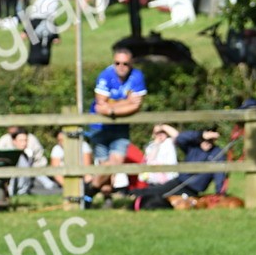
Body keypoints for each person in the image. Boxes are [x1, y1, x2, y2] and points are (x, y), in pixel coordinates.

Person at [88, 46, 146, 206]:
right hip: (99, 126)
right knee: (104, 166)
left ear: (131, 63)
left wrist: (112, 107)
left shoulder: (137, 76)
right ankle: (107, 199)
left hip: (120, 127)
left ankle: (89, 191)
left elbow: (136, 106)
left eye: (125, 64)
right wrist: (126, 102)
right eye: (117, 63)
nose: (121, 67)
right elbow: (100, 106)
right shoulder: (105, 75)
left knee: (115, 163)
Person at [133, 126, 227, 208]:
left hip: (192, 190)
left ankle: (133, 196)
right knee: (157, 191)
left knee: (162, 195)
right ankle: (131, 195)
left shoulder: (217, 153)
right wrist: (201, 134)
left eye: (211, 140)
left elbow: (220, 176)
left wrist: (220, 194)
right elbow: (181, 137)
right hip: (178, 181)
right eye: (205, 140)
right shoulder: (193, 147)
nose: (207, 143)